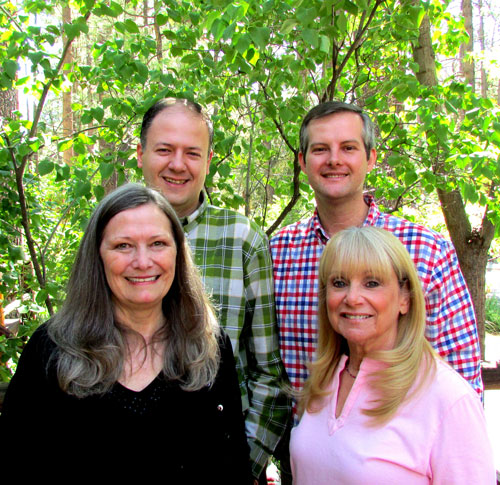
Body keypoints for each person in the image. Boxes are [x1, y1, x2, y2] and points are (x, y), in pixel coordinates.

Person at [1, 183, 252, 483]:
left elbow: (234, 464)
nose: (143, 262)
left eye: (158, 243)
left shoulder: (208, 345)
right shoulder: (52, 350)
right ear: (98, 257)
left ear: (178, 252)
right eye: (123, 246)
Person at [137, 98, 290, 482]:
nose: (177, 164)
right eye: (164, 150)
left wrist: (242, 466)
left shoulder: (242, 240)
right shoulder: (112, 234)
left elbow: (268, 375)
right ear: (140, 154)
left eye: (192, 152)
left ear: (208, 161)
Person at [290, 226, 495, 484]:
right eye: (339, 283)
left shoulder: (447, 398)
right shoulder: (325, 379)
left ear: (405, 299)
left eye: (372, 283)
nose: (352, 298)